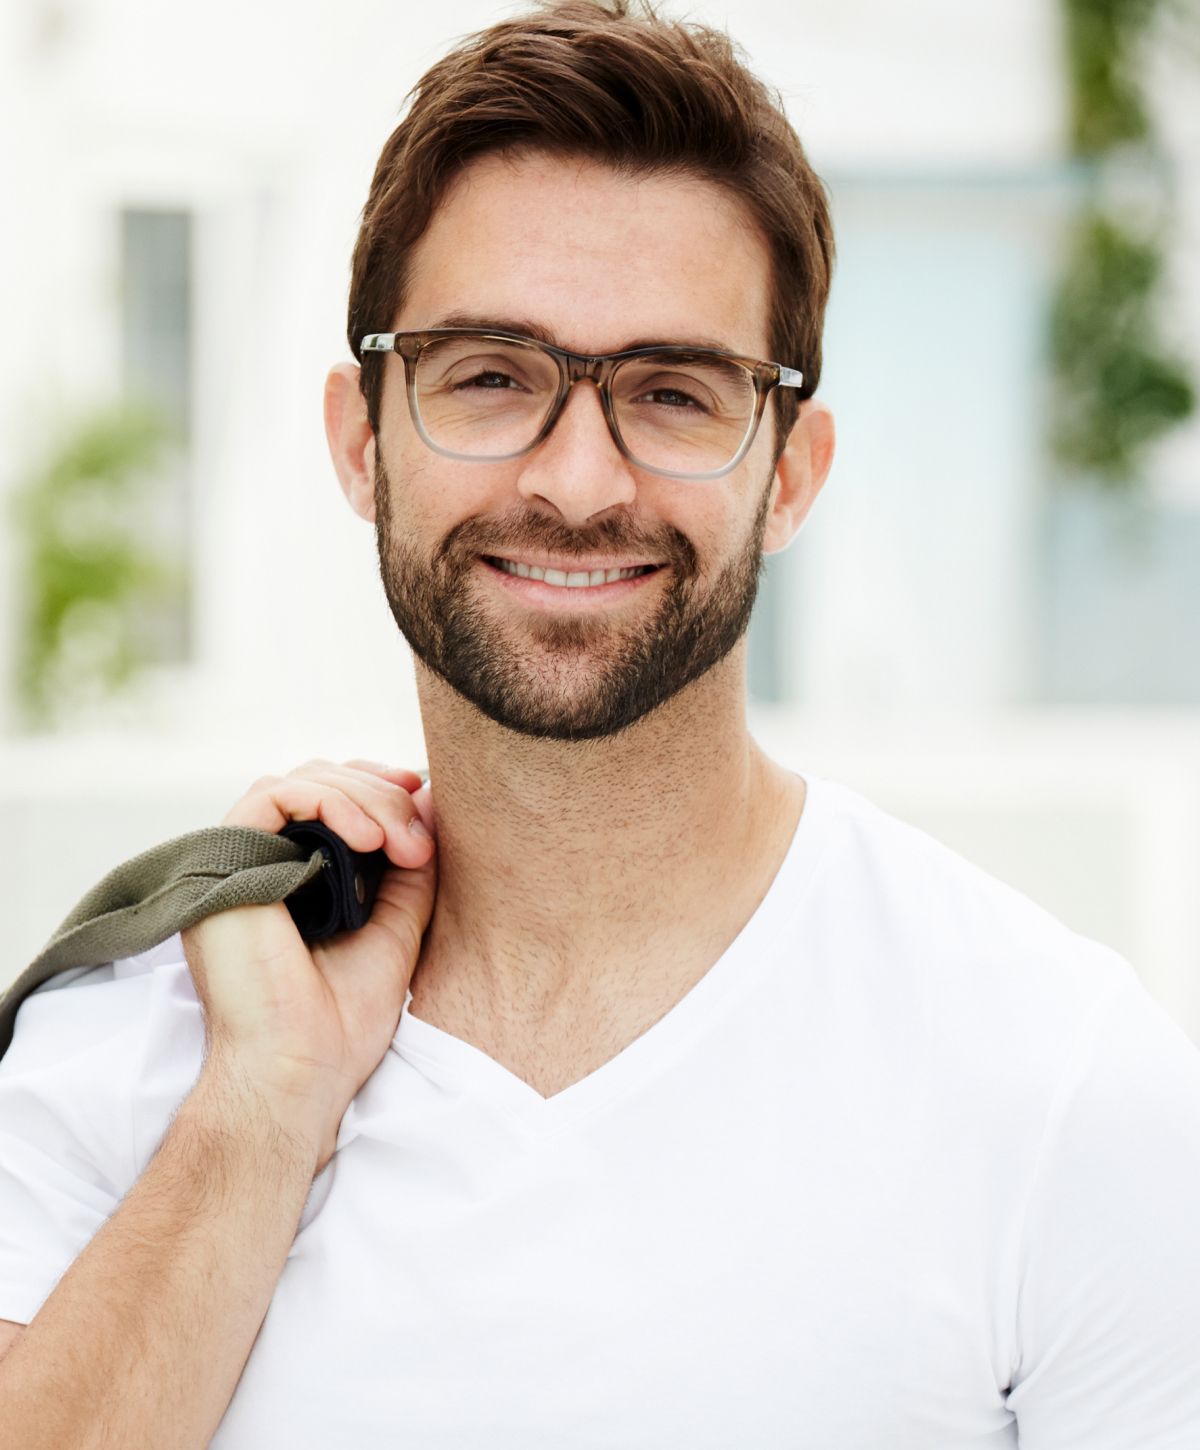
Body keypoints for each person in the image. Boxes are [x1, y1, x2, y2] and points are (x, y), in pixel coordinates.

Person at [2, 2, 1199, 1445]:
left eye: (672, 392)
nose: (578, 480)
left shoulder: (1060, 1083)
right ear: (359, 441)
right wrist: (264, 1104)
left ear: (792, 472)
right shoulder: (135, 1042)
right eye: (491, 376)